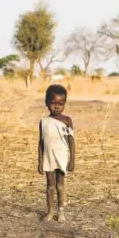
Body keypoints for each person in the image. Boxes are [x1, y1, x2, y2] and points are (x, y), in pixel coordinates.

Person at [38, 84, 75, 222]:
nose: (57, 107)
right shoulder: (44, 122)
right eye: (53, 103)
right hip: (48, 156)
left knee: (60, 185)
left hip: (62, 156)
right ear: (47, 103)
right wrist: (40, 161)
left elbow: (71, 141)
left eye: (61, 104)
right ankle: (50, 211)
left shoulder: (67, 121)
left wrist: (72, 160)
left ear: (64, 104)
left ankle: (61, 211)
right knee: (50, 185)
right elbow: (41, 142)